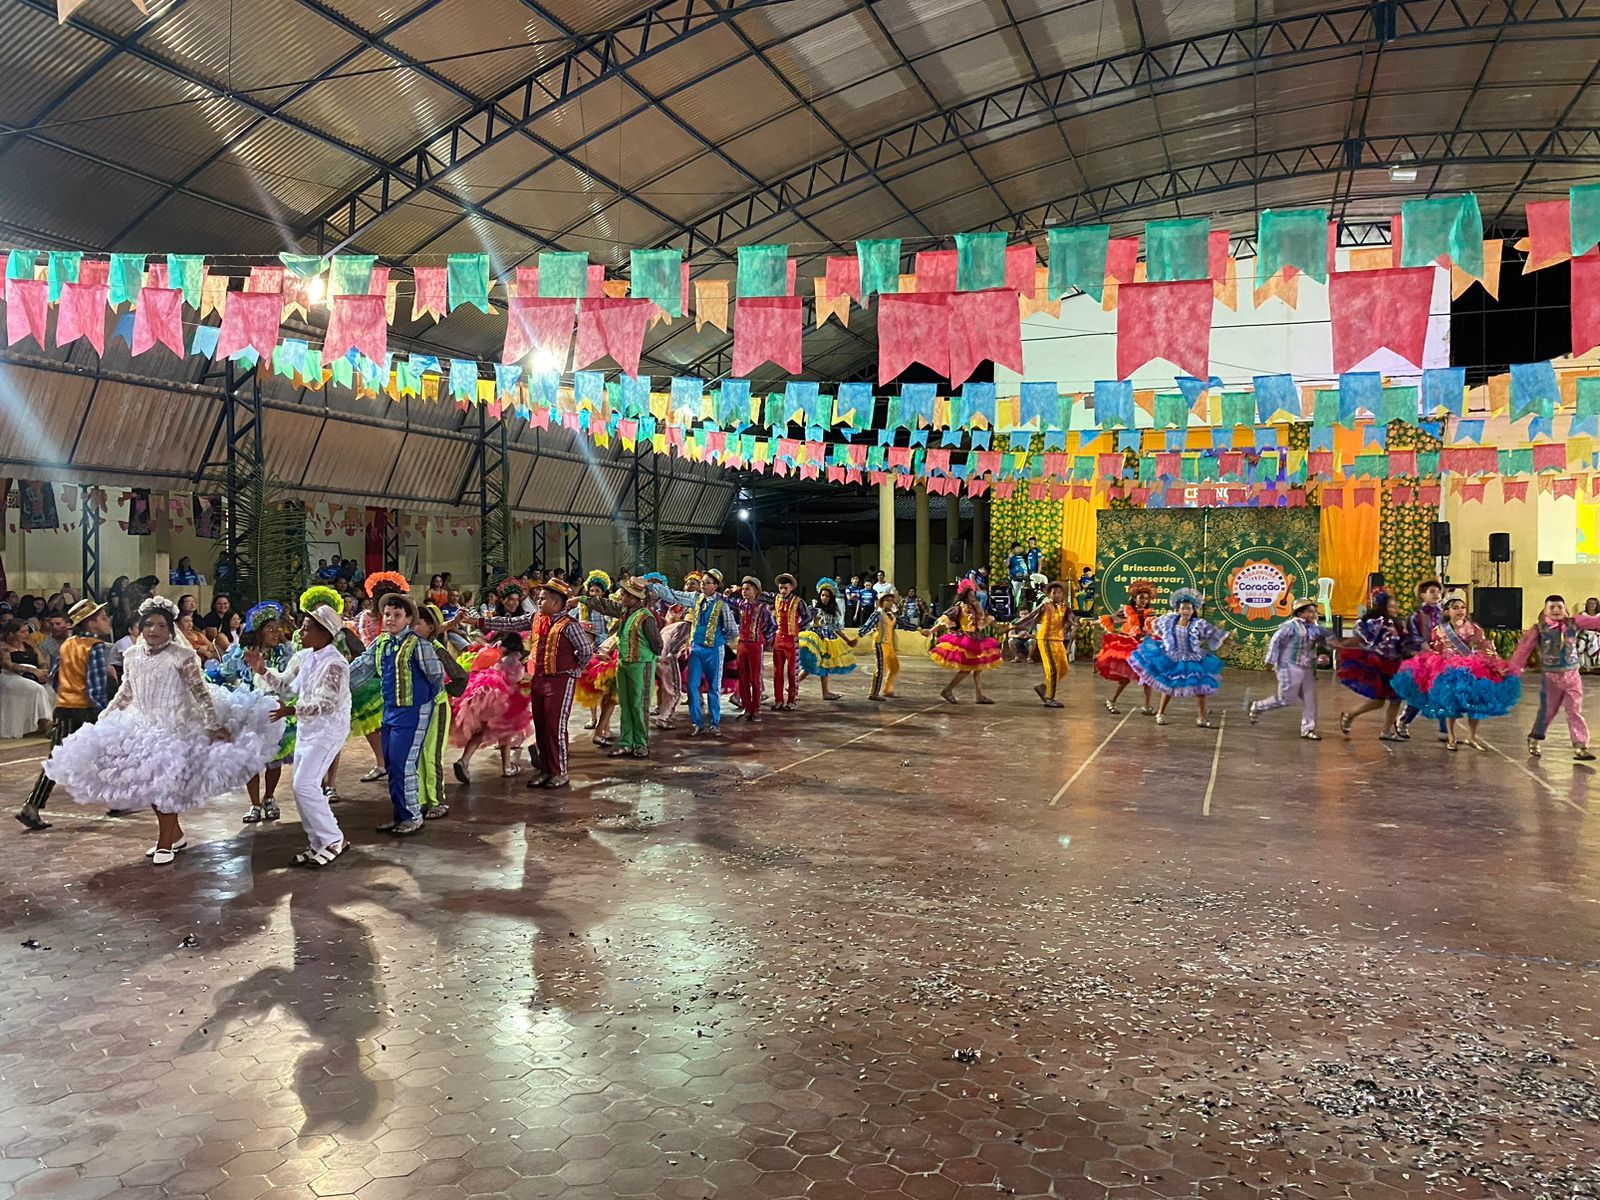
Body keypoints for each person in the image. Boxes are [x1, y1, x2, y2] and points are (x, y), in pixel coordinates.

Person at [43, 596, 280, 864]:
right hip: (142, 725)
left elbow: (200, 692)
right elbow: (126, 691)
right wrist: (105, 717)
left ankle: (165, 842)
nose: (153, 630)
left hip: (176, 727)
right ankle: (175, 835)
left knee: (165, 788)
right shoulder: (131, 656)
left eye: (161, 625)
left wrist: (213, 725)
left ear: (170, 629)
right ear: (140, 627)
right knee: (153, 789)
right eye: (148, 625)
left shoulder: (182, 656)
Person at [247, 605, 351, 867]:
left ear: (324, 633)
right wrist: (263, 671)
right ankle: (317, 842)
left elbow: (327, 704)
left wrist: (292, 710)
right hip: (307, 728)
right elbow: (286, 687)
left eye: (306, 628)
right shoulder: (304, 657)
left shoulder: (336, 664)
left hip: (328, 730)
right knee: (301, 787)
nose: (300, 633)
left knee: (306, 785)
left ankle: (334, 839)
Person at [347, 592, 444, 836]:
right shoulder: (381, 643)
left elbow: (436, 676)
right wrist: (334, 681)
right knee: (392, 764)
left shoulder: (418, 644)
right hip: (391, 711)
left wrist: (422, 701)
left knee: (404, 764)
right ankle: (401, 814)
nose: (390, 619)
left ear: (408, 619)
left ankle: (413, 817)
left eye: (397, 615)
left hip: (414, 712)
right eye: (387, 614)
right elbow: (360, 668)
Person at [17, 599, 114, 830]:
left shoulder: (68, 644)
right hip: (87, 710)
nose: (107, 621)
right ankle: (118, 798)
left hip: (65, 708)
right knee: (111, 753)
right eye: (102, 617)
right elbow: (95, 688)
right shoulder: (96, 647)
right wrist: (104, 713)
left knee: (57, 758)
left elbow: (55, 676)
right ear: (91, 623)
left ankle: (32, 804)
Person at [1395, 593, 1520, 752]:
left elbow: (1484, 646)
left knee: (1476, 703)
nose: (1460, 611)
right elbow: (1436, 650)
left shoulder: (1474, 628)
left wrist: (1494, 662)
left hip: (1471, 670)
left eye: (1463, 607)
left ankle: (1471, 736)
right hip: (1449, 671)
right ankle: (1451, 737)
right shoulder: (1439, 630)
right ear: (1447, 611)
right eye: (1455, 608)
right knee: (1451, 704)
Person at [210, 602, 296, 824]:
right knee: (251, 759)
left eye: (277, 628)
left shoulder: (284, 652)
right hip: (248, 710)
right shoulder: (241, 653)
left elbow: (289, 680)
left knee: (274, 758)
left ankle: (269, 797)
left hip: (275, 711)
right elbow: (225, 673)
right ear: (258, 631)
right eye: (270, 629)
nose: (276, 633)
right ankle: (255, 804)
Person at [647, 568, 737, 735]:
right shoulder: (695, 598)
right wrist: (653, 587)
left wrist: (718, 640)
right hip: (696, 649)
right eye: (702, 582)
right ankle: (697, 723)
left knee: (714, 687)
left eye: (707, 583)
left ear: (715, 586)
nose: (703, 585)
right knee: (692, 685)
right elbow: (673, 595)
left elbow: (732, 630)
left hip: (714, 650)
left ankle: (714, 723)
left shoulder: (722, 605)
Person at [579, 577, 663, 757]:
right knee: (625, 704)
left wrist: (646, 657)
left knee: (638, 705)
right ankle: (626, 742)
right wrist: (582, 599)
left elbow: (657, 644)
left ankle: (640, 743)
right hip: (624, 663)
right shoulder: (625, 611)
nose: (620, 597)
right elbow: (606, 605)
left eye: (624, 595)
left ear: (633, 598)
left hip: (641, 664)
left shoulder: (646, 617)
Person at [1510, 594, 1600, 760]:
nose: (1556, 610)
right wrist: (1513, 670)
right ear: (1545, 610)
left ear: (1565, 609)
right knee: (1548, 711)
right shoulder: (1538, 629)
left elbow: (1595, 621)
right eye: (1552, 607)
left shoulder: (1573, 623)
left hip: (1572, 676)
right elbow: (1523, 649)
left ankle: (1580, 746)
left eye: (1560, 607)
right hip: (1551, 678)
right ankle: (1535, 737)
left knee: (1574, 710)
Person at [523, 580, 594, 788]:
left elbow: (586, 651)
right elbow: (510, 623)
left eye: (542, 599)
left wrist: (573, 669)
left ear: (555, 602)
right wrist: (478, 621)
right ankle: (546, 769)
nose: (538, 601)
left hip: (560, 680)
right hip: (539, 678)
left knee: (555, 727)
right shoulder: (537, 618)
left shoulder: (569, 625)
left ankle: (560, 772)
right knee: (541, 726)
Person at [1130, 587, 1228, 727]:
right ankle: (1160, 713)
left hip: (1193, 659)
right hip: (1173, 657)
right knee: (1169, 687)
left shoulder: (1198, 624)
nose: (1186, 611)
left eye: (1189, 608)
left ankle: (1201, 717)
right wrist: (1148, 633)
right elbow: (1156, 626)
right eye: (1183, 608)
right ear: (1178, 609)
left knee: (1201, 689)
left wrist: (1226, 641)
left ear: (1193, 610)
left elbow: (1213, 634)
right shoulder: (1170, 620)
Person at [1249, 598, 1336, 739]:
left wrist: (1326, 653)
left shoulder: (1315, 628)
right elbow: (1276, 641)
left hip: (1306, 667)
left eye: (1315, 611)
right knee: (1286, 698)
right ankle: (1258, 706)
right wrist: (1270, 661)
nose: (1314, 614)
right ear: (1300, 613)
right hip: (1288, 665)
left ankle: (1308, 729)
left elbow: (1324, 643)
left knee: (1310, 698)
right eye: (1310, 611)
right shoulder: (1290, 626)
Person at [451, 631, 532, 781]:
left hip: (481, 695)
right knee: (506, 731)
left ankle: (464, 760)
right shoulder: (512, 660)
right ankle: (507, 767)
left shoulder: (489, 651)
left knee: (481, 731)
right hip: (501, 699)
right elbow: (517, 677)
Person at [353, 572, 410, 781]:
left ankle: (399, 764)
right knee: (370, 721)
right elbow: (368, 645)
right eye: (380, 594)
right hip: (374, 675)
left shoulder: (403, 617)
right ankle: (382, 762)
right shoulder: (366, 618)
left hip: (400, 676)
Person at [413, 603, 467, 818]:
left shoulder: (436, 649)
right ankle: (421, 800)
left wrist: (444, 692)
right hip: (416, 708)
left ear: (430, 627)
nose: (412, 626)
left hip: (436, 707)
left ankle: (437, 801)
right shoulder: (410, 647)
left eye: (417, 623)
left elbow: (460, 676)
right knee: (417, 754)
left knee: (431, 753)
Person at [1337, 588, 1408, 740]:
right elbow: (1364, 639)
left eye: (1395, 605)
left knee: (1396, 699)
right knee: (1379, 701)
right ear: (1383, 607)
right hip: (1380, 664)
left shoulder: (1396, 623)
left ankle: (1386, 731)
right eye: (1391, 605)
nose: (1395, 608)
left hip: (1394, 664)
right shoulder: (1376, 622)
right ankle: (1350, 715)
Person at [927, 579, 1002, 704]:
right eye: (971, 595)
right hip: (967, 641)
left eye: (974, 594)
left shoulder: (975, 607)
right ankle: (948, 690)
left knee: (978, 669)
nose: (974, 597)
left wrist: (1002, 627)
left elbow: (987, 620)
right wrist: (930, 631)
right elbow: (944, 621)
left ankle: (979, 696)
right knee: (967, 669)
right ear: (965, 596)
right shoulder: (960, 607)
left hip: (977, 639)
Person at [1396, 579, 1450, 744]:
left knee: (1443, 692)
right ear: (1422, 595)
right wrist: (1428, 649)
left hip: (1443, 658)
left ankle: (1444, 729)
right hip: (1423, 659)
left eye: (1438, 592)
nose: (1436, 595)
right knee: (1421, 693)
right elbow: (1415, 637)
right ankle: (1404, 721)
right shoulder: (1416, 616)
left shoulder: (1445, 615)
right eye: (1432, 592)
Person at [1011, 580, 1075, 708]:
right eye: (1054, 592)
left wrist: (1081, 622)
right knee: (1053, 669)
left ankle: (1043, 688)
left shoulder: (1065, 608)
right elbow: (1030, 617)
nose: (1057, 595)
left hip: (1058, 640)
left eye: (1059, 592)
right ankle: (1050, 698)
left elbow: (1072, 619)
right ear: (1049, 594)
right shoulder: (1044, 606)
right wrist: (1013, 626)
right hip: (1045, 639)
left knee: (1064, 668)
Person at [1097, 582, 1157, 715]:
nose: (1144, 600)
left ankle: (1147, 706)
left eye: (1146, 598)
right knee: (1125, 678)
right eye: (1141, 597)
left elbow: (1154, 628)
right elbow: (1111, 619)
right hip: (1129, 647)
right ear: (1135, 598)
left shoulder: (1150, 613)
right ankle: (1111, 700)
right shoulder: (1127, 611)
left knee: (1147, 676)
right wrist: (1092, 622)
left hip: (1143, 647)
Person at [797, 578, 857, 701]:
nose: (824, 598)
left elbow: (836, 628)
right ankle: (793, 686)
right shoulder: (814, 609)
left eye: (827, 596)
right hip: (816, 640)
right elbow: (804, 621)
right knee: (809, 667)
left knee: (823, 666)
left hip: (828, 641)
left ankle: (825, 692)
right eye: (822, 595)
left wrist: (848, 640)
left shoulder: (833, 612)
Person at [731, 576, 776, 721]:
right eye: (743, 589)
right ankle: (747, 708)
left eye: (747, 589)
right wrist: (729, 593)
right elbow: (726, 600)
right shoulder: (741, 604)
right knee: (742, 678)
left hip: (755, 645)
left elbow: (772, 625)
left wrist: (763, 638)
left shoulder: (762, 608)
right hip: (742, 644)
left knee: (755, 679)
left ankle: (755, 709)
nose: (744, 592)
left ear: (755, 591)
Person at [0, 618, 53, 737]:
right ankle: (46, 723)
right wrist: (33, 671)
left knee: (50, 691)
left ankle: (40, 725)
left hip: (33, 675)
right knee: (37, 689)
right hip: (11, 676)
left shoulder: (30, 644)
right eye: (22, 632)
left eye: (27, 631)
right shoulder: (3, 646)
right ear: (11, 634)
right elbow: (9, 665)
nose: (26, 634)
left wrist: (44, 672)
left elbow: (42, 661)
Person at [770, 573, 809, 711]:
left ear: (791, 587)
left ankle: (792, 700)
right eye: (780, 588)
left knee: (792, 672)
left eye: (785, 588)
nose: (782, 591)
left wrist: (797, 628)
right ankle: (778, 700)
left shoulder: (798, 601)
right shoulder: (775, 598)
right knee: (777, 672)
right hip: (778, 639)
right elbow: (760, 595)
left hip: (792, 640)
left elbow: (807, 617)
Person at [858, 588, 901, 701]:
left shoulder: (892, 615)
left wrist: (920, 629)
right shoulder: (878, 614)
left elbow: (904, 623)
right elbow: (867, 626)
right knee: (880, 669)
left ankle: (887, 690)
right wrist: (858, 637)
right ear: (882, 602)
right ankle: (873, 693)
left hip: (890, 645)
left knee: (895, 667)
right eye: (887, 600)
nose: (889, 603)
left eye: (891, 601)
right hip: (880, 644)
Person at [1580, 598, 1600, 672]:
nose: (1591, 605)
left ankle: (1597, 666)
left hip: (1597, 634)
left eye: (1593, 603)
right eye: (1589, 603)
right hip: (1585, 633)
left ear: (1597, 605)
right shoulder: (1582, 614)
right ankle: (1583, 666)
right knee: (1581, 645)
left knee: (1597, 643)